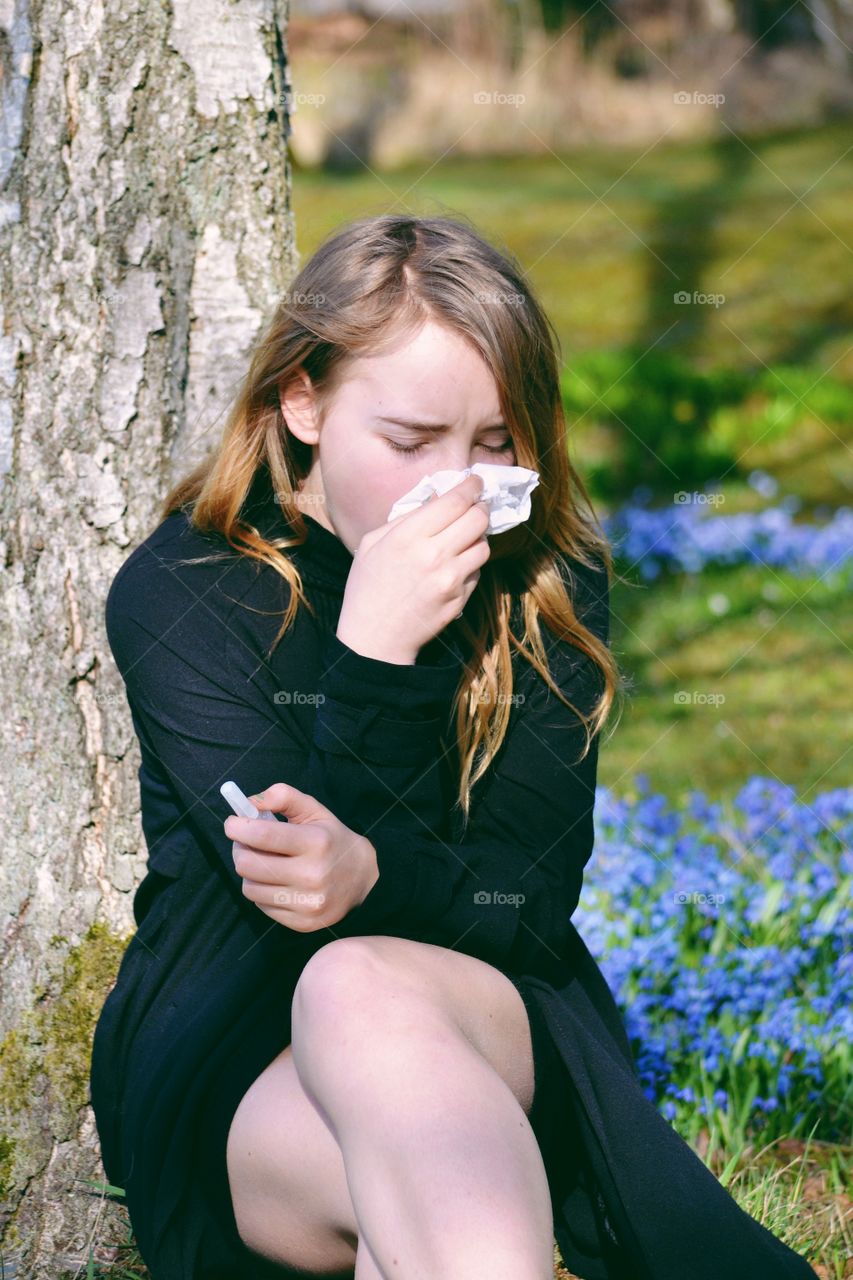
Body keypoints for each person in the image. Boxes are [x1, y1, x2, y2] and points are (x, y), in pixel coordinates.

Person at [89, 213, 820, 1280]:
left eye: (494, 446)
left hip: (480, 1015)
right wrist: (378, 650)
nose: (461, 488)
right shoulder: (186, 590)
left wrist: (373, 870)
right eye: (410, 441)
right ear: (302, 401)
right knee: (352, 1007)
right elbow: (288, 897)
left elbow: (522, 901)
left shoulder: (543, 583)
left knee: (364, 989)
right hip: (238, 1059)